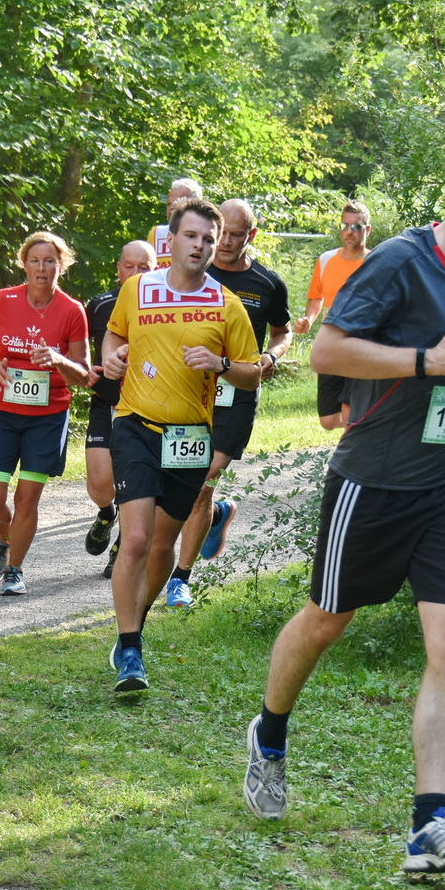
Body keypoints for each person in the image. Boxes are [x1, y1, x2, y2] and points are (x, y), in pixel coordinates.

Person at [240, 134, 445, 876]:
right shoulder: (400, 261)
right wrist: (424, 363)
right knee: (326, 621)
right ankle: (269, 734)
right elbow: (327, 350)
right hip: (372, 482)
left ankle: (429, 824)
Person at [100, 196, 260, 691]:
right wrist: (112, 358)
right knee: (136, 540)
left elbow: (252, 374)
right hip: (136, 425)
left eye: (209, 239)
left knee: (161, 547)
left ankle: (136, 621)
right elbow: (113, 337)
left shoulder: (226, 305)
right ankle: (130, 651)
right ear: (170, 241)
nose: (200, 245)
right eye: (191, 236)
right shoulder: (138, 289)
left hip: (189, 439)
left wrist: (220, 365)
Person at [164, 198, 293, 608]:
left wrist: (271, 355)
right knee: (180, 483)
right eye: (224, 233)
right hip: (187, 392)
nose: (226, 242)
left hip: (236, 394)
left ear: (250, 235)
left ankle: (180, 578)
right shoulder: (192, 272)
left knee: (203, 480)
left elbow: (283, 331)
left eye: (237, 235)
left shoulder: (267, 283)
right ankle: (217, 515)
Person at [0, 231, 92, 596]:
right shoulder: (4, 299)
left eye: (49, 261)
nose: (42, 268)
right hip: (2, 411)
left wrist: (58, 359)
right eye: (35, 261)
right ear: (23, 264)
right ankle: (6, 537)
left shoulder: (72, 310)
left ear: (61, 265)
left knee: (26, 498)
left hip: (48, 416)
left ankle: (15, 570)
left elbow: (84, 374)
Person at [83, 240, 157, 579]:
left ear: (156, 270)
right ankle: (105, 513)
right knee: (100, 483)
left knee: (133, 481)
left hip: (144, 407)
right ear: (118, 268)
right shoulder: (100, 305)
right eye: (130, 266)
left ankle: (124, 544)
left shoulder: (165, 307)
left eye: (144, 268)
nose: (136, 273)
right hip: (106, 401)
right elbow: (78, 345)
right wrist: (83, 367)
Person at [290, 200, 372, 336]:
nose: (349, 232)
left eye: (356, 227)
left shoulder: (375, 263)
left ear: (367, 230)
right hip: (330, 340)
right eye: (345, 226)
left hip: (363, 340)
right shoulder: (325, 260)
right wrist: (308, 320)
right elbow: (316, 297)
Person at [147, 178, 204, 270]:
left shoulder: (207, 237)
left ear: (196, 206)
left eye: (177, 204)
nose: (171, 210)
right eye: (169, 204)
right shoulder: (156, 234)